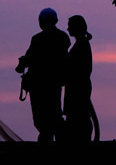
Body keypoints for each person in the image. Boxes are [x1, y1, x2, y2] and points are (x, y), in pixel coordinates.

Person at [16, 8, 70, 142]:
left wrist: (22, 64)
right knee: (54, 113)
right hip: (53, 84)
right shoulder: (62, 37)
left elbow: (30, 58)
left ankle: (48, 138)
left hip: (40, 85)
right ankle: (56, 138)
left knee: (42, 117)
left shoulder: (38, 39)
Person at [63, 15, 100, 143]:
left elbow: (79, 69)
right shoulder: (81, 44)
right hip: (78, 87)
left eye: (70, 26)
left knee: (78, 118)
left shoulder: (82, 45)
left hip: (78, 88)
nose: (67, 29)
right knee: (78, 117)